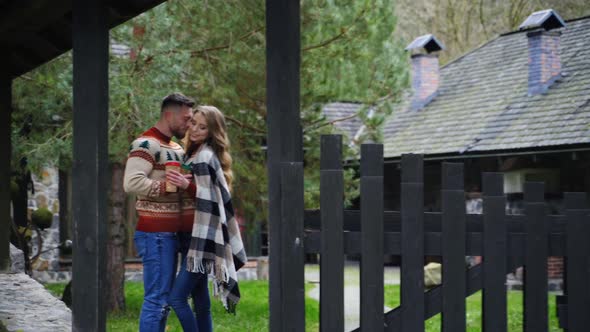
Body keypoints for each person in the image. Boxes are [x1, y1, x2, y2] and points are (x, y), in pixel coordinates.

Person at [166, 105, 247, 331]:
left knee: (177, 299)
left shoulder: (203, 156)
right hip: (194, 236)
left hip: (199, 239)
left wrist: (186, 185)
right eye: (193, 124)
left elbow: (211, 199)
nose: (195, 130)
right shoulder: (195, 154)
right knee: (201, 302)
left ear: (212, 132)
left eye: (203, 127)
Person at [123, 93, 195, 332]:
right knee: (156, 300)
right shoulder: (145, 144)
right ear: (168, 115)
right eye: (186, 118)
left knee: (163, 301)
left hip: (172, 235)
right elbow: (131, 183)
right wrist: (166, 186)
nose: (189, 124)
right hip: (155, 235)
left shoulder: (176, 147)